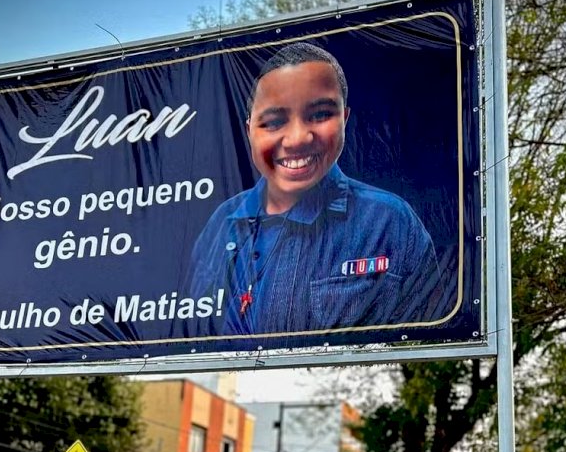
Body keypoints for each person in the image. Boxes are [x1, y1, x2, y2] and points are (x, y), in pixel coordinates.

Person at [189, 42, 445, 338]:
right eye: (273, 121)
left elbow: (429, 345)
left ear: (345, 119)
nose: (297, 138)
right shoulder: (221, 223)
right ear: (250, 130)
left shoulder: (390, 222)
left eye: (320, 115)